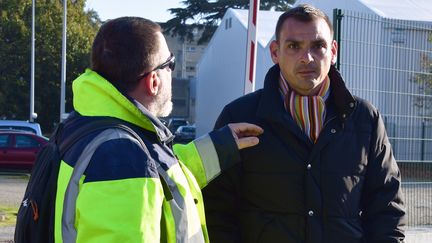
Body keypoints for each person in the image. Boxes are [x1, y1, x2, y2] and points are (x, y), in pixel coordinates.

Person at [202, 4, 406, 243]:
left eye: (318, 46)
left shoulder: (364, 118)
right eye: (293, 46)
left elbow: (387, 208)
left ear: (333, 50)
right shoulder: (239, 117)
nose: (307, 58)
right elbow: (215, 211)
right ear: (275, 52)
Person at [54, 17, 263, 242]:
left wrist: (218, 148)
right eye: (170, 64)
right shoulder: (122, 157)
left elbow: (158, 172)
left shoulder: (91, 128)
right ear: (154, 81)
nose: (172, 71)